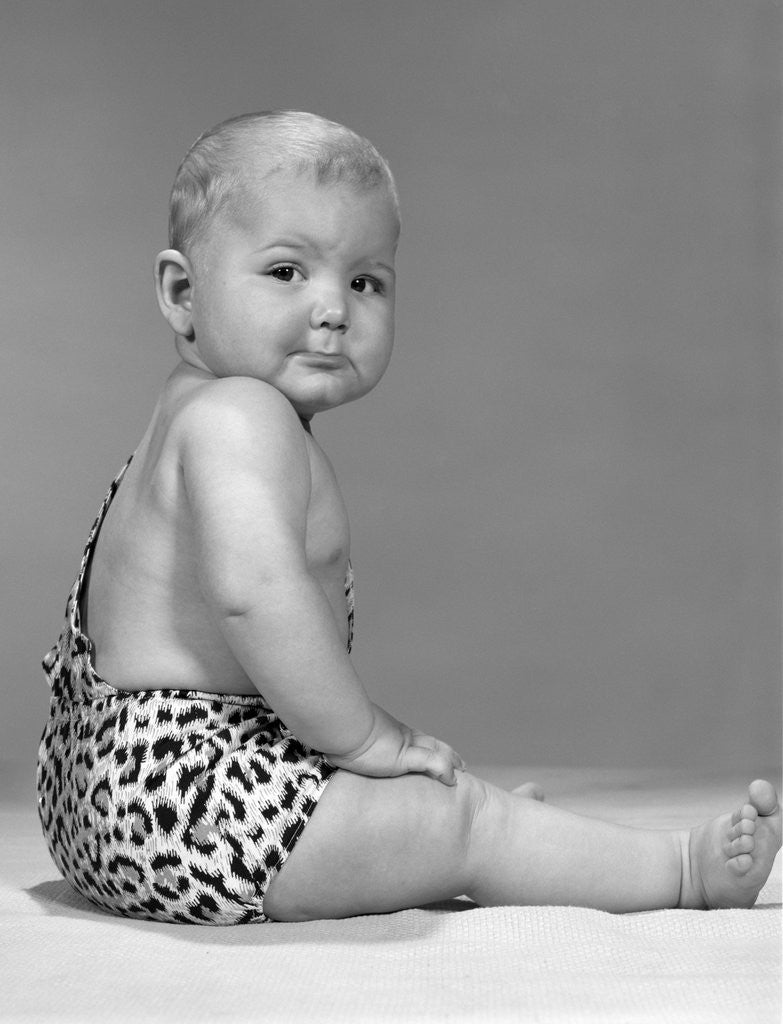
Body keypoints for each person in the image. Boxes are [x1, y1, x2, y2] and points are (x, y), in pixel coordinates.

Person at [36, 111, 781, 925]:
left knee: (422, 808)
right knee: (455, 815)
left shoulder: (186, 414)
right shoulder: (238, 417)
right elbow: (254, 596)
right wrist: (366, 744)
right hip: (183, 807)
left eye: (364, 281)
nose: (332, 309)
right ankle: (676, 870)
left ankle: (461, 846)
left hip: (100, 801)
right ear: (183, 294)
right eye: (286, 272)